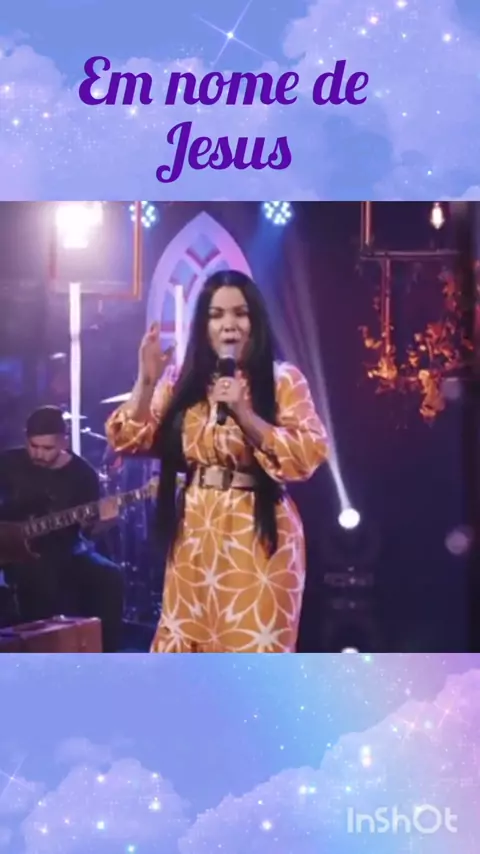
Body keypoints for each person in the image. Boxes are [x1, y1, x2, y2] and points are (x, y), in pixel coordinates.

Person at [106, 269, 329, 653]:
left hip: (258, 536)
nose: (229, 325)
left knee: (251, 658)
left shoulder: (283, 380)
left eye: (240, 313)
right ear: (203, 325)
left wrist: (245, 414)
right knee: (186, 659)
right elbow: (127, 439)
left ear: (256, 322)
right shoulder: (180, 381)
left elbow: (308, 453)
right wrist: (146, 382)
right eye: (217, 315)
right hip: (194, 532)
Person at [0, 406, 124, 651]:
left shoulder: (83, 474)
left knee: (110, 576)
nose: (39, 454)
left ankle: (104, 653)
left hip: (65, 549)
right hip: (11, 550)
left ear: (63, 443)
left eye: (48, 448)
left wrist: (105, 522)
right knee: (38, 579)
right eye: (33, 446)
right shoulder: (8, 462)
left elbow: (88, 532)